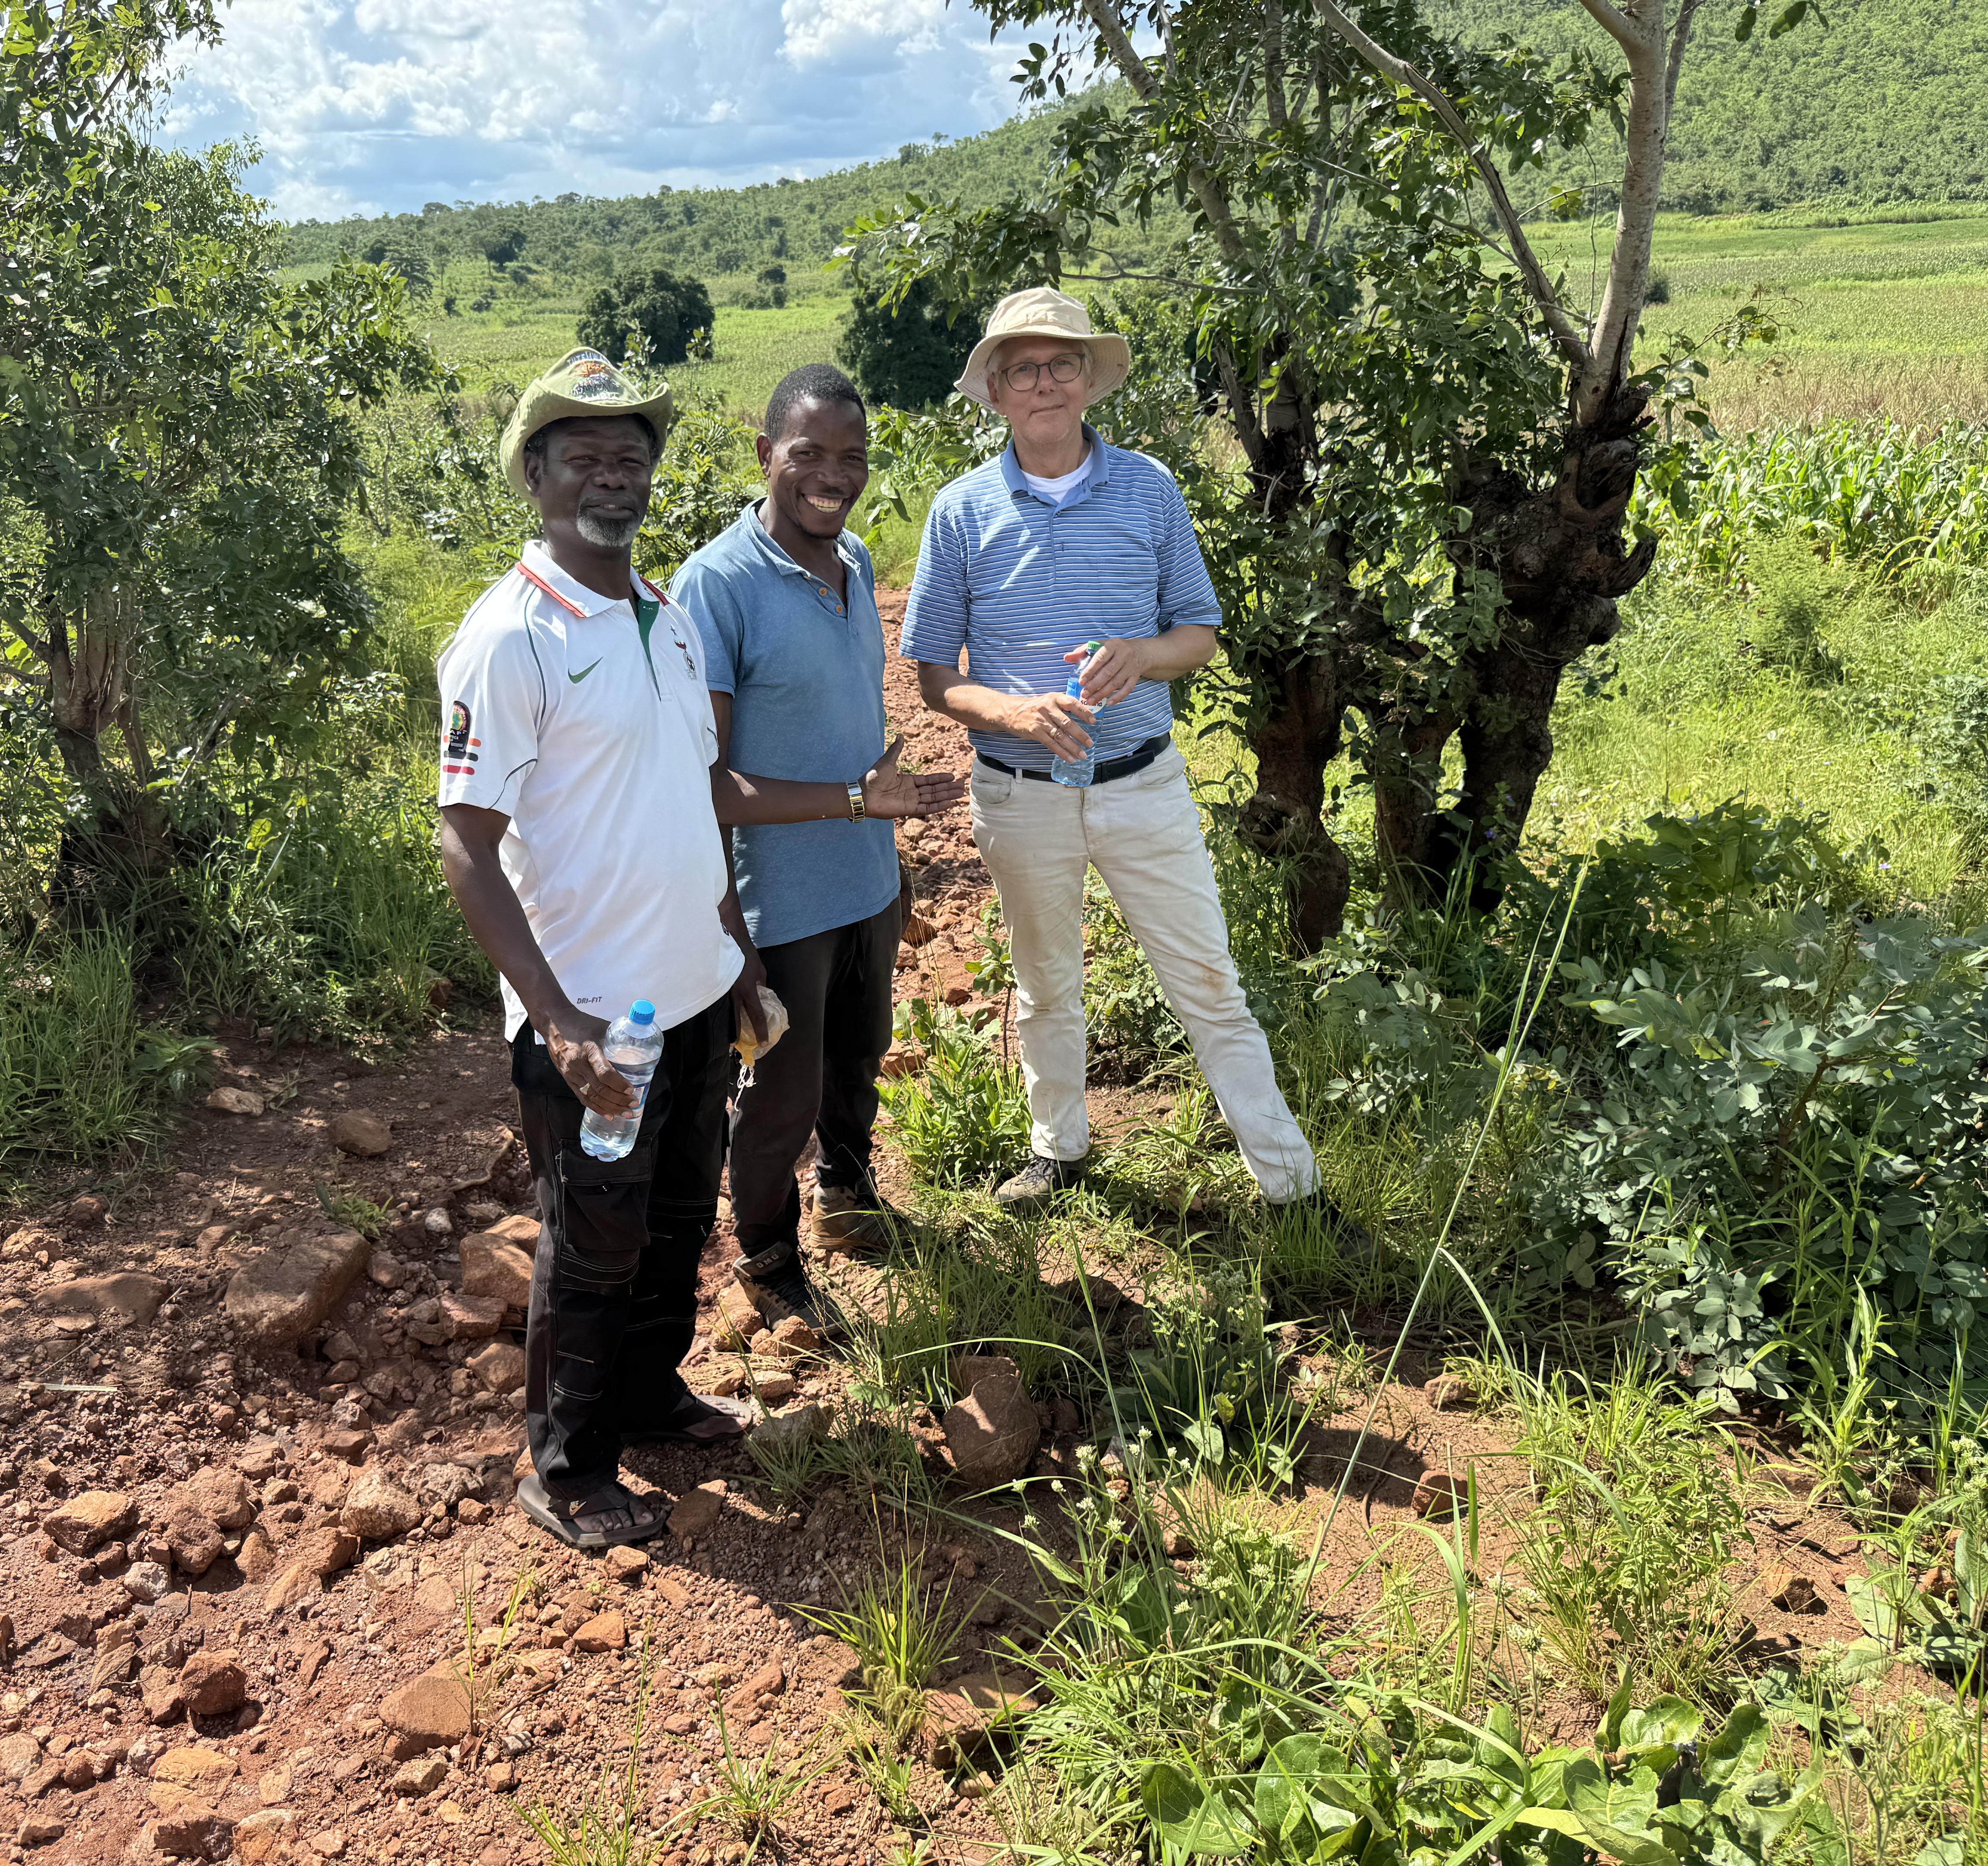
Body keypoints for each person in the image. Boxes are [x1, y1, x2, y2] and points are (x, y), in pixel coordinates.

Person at [436, 348, 957, 1550]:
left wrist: (734, 957)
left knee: (676, 1216)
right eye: (584, 457)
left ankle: (653, 1394)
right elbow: (465, 843)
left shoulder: (662, 617)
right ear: (536, 473)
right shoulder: (508, 637)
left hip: (694, 992)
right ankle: (566, 1468)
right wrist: (557, 1022)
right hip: (598, 1023)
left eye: (631, 457)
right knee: (595, 1236)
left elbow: (695, 798)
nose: (612, 478)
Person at [901, 288, 1340, 1219]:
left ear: (1091, 380)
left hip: (1143, 783)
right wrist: (1017, 716)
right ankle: (1057, 1149)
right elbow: (937, 677)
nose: (1046, 382)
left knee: (1209, 984)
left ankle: (1292, 1188)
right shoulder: (961, 511)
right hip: (1021, 792)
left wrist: (1144, 655)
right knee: (1044, 984)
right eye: (1025, 367)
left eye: (1063, 363)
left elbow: (1201, 634)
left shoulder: (1149, 487)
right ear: (998, 390)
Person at [673, 364, 948, 1335]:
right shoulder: (716, 585)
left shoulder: (860, 560)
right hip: (780, 899)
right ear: (765, 457)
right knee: (779, 1094)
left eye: (852, 457)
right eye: (809, 455)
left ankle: (847, 1198)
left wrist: (883, 817)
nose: (833, 476)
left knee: (860, 1056)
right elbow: (702, 785)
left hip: (868, 879)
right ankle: (766, 1253)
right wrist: (734, 935)